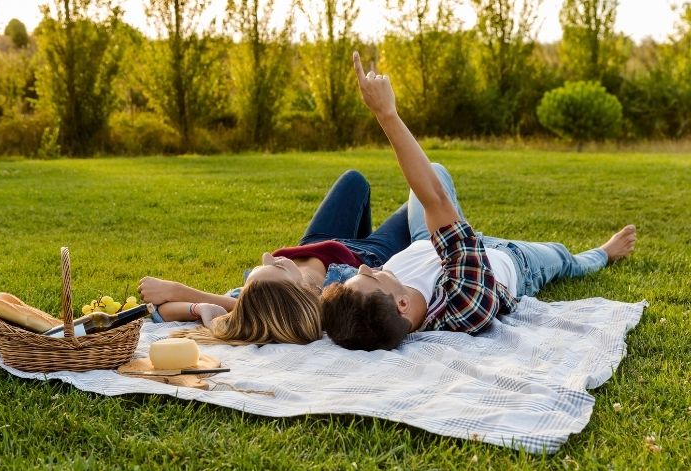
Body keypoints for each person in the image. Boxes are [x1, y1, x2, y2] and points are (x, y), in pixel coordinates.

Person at [319, 52, 637, 351]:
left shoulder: (366, 309)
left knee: (435, 171)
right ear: (402, 306)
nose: (363, 267)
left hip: (427, 241)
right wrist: (386, 113)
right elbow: (436, 199)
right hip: (514, 260)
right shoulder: (462, 303)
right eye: (370, 276)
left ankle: (457, 236)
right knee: (565, 258)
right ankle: (605, 252)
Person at [137, 169, 412, 344]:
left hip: (318, 243)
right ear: (300, 294)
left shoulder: (258, 296)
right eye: (278, 267)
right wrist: (178, 289)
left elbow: (162, 313)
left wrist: (197, 307)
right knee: (418, 199)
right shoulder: (329, 303)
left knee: (354, 180)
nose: (268, 255)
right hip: (369, 255)